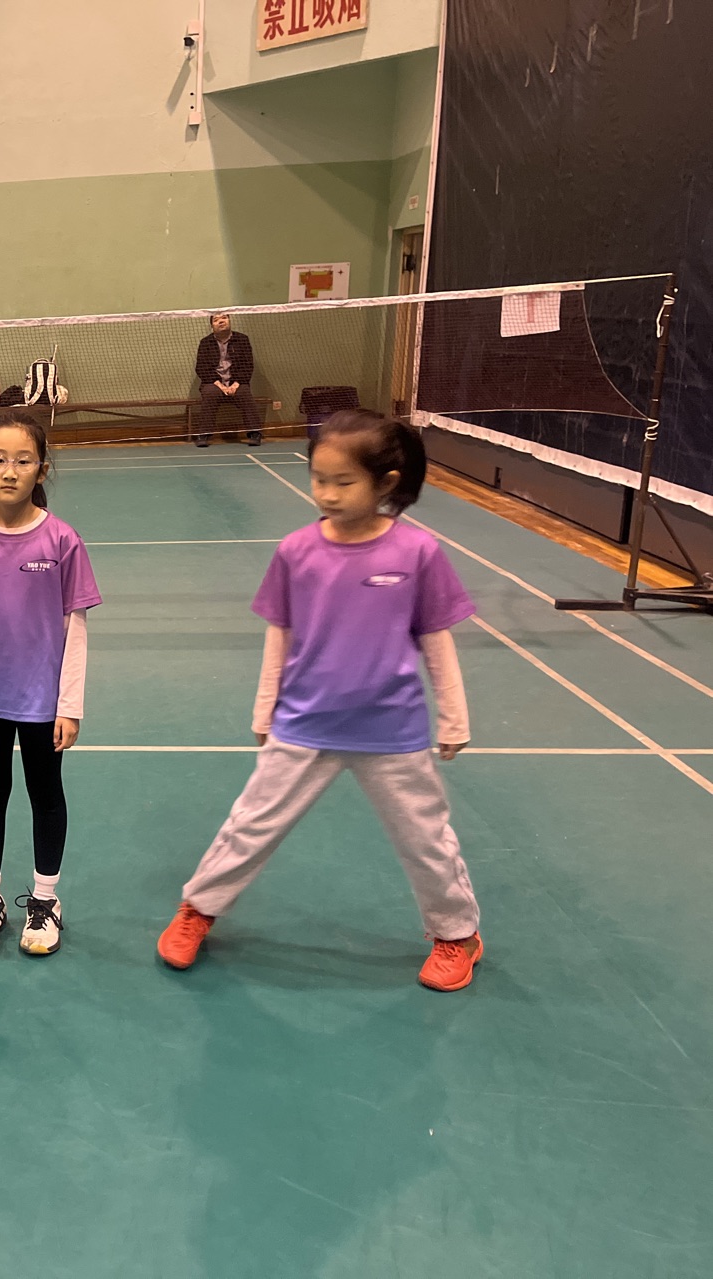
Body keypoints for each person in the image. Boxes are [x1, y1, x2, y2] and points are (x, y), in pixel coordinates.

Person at [156, 409, 484, 992]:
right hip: (304, 722)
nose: (327, 493)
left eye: (343, 482)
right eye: (319, 479)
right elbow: (279, 634)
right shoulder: (296, 551)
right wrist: (265, 707)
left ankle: (457, 934)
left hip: (391, 731)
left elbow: (436, 637)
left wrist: (454, 716)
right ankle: (198, 909)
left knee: (426, 840)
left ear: (385, 482)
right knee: (250, 826)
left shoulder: (418, 552)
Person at [0, 408, 102, 958]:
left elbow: (75, 629)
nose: (10, 471)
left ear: (42, 469)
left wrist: (69, 705)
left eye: (24, 461)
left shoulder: (62, 540)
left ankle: (45, 900)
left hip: (42, 703)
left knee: (45, 795)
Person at [192, 312, 263, 447]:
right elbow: (202, 368)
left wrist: (235, 384)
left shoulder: (242, 340)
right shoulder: (205, 343)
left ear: (229, 321)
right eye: (216, 320)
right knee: (210, 394)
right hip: (213, 383)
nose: (221, 321)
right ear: (212, 326)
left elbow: (247, 365)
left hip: (237, 381)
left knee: (244, 393)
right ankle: (203, 434)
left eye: (224, 318)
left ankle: (255, 433)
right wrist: (221, 386)